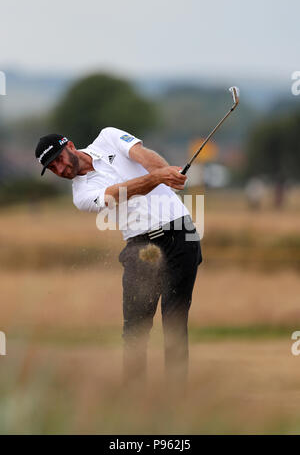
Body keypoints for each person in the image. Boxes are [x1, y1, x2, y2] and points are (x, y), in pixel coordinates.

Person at [35, 128, 202, 389]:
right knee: (135, 328)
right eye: (52, 167)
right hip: (140, 246)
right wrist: (159, 177)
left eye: (58, 158)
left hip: (181, 234)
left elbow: (143, 155)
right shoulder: (81, 196)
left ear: (70, 145)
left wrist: (167, 173)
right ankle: (134, 400)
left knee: (174, 322)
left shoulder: (108, 137)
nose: (59, 168)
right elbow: (119, 193)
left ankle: (176, 400)